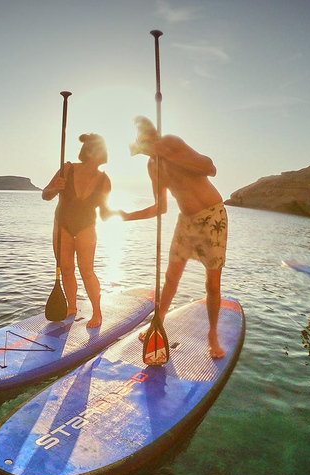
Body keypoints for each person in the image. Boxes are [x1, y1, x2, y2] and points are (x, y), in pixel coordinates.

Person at [119, 116, 227, 358]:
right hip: (185, 221)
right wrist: (128, 216)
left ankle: (212, 335)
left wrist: (169, 155)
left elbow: (210, 167)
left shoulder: (172, 143)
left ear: (154, 135)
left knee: (212, 284)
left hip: (212, 216)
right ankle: (156, 323)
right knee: (170, 277)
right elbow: (161, 207)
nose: (143, 143)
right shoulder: (151, 166)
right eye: (140, 139)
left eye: (146, 136)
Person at [42, 133, 114, 328]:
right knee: (66, 268)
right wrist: (56, 188)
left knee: (87, 271)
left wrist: (119, 214)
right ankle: (71, 307)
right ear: (88, 151)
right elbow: (45, 194)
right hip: (62, 224)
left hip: (86, 226)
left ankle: (97, 313)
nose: (101, 152)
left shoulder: (104, 180)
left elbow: (105, 212)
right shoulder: (67, 169)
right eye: (98, 148)